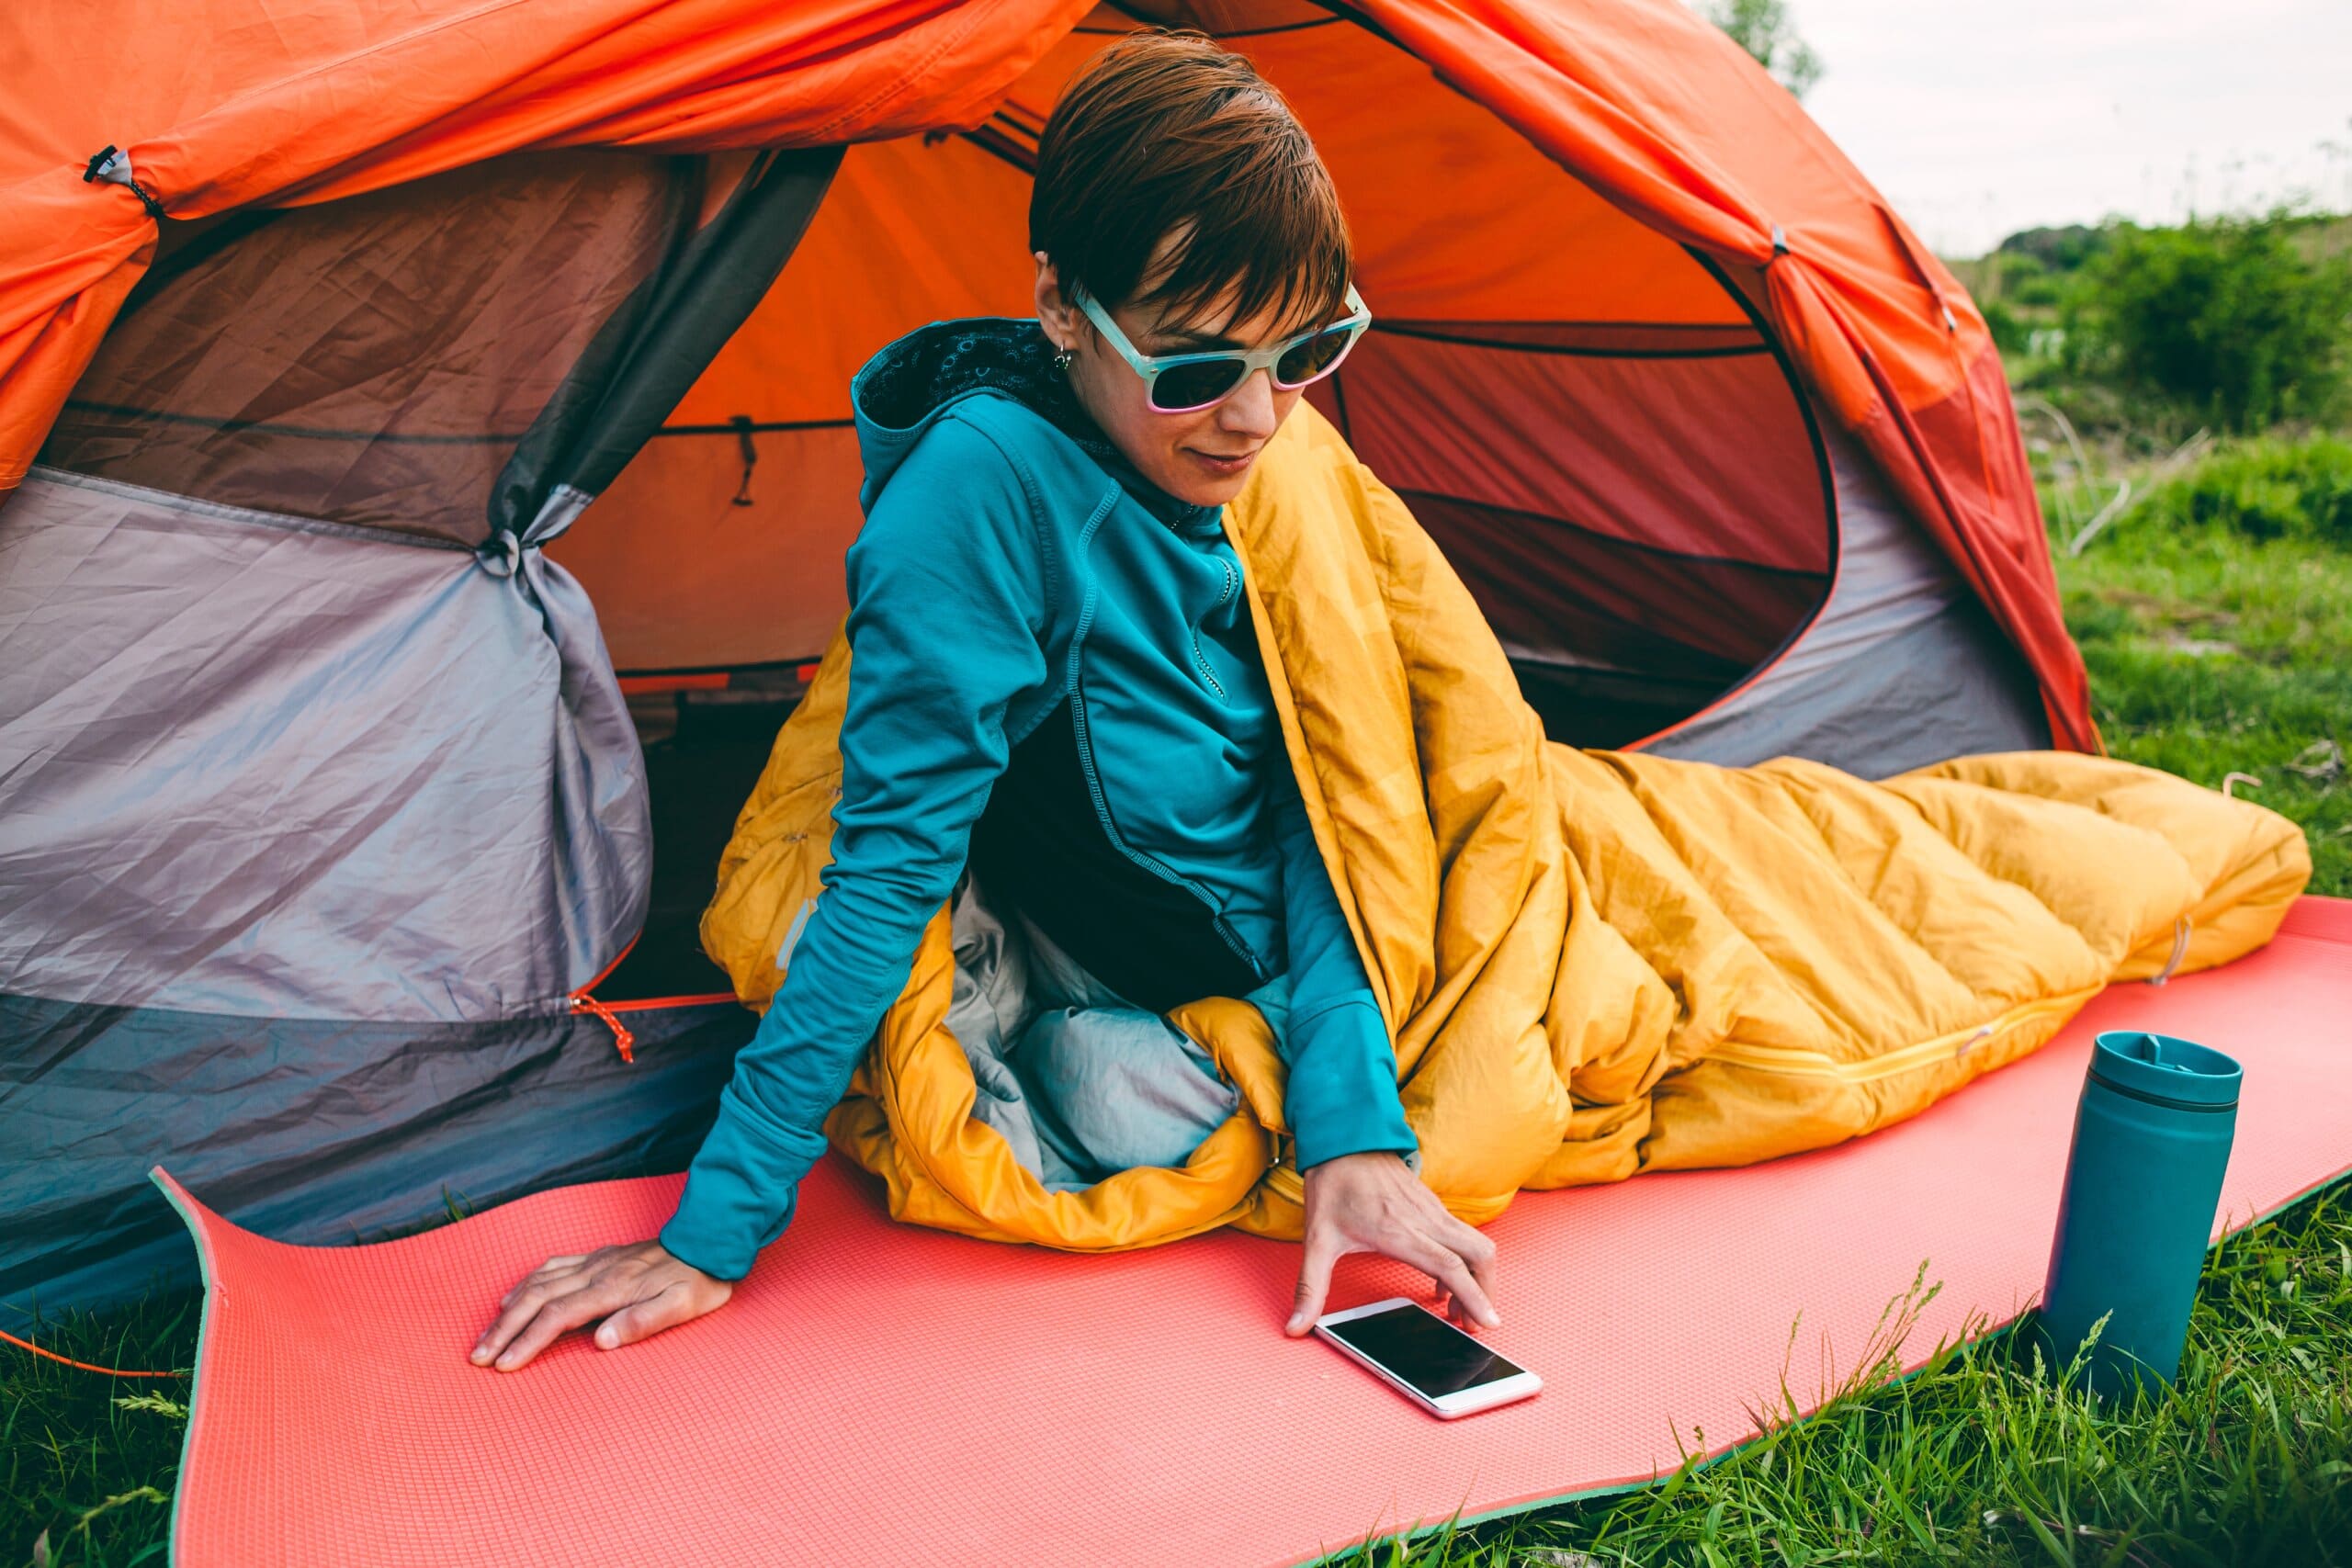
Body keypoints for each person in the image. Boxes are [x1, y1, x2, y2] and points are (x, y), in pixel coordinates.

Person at [471, 28, 1500, 1373]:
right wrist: (712, 1232)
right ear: (1061, 306)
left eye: (1305, 351)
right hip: (1126, 934)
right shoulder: (985, 497)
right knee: (1095, 1107)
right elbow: (887, 868)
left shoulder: (1247, 458)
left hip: (1305, 944)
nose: (1256, 419)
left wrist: (1355, 1123)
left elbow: (1326, 796)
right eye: (1195, 367)